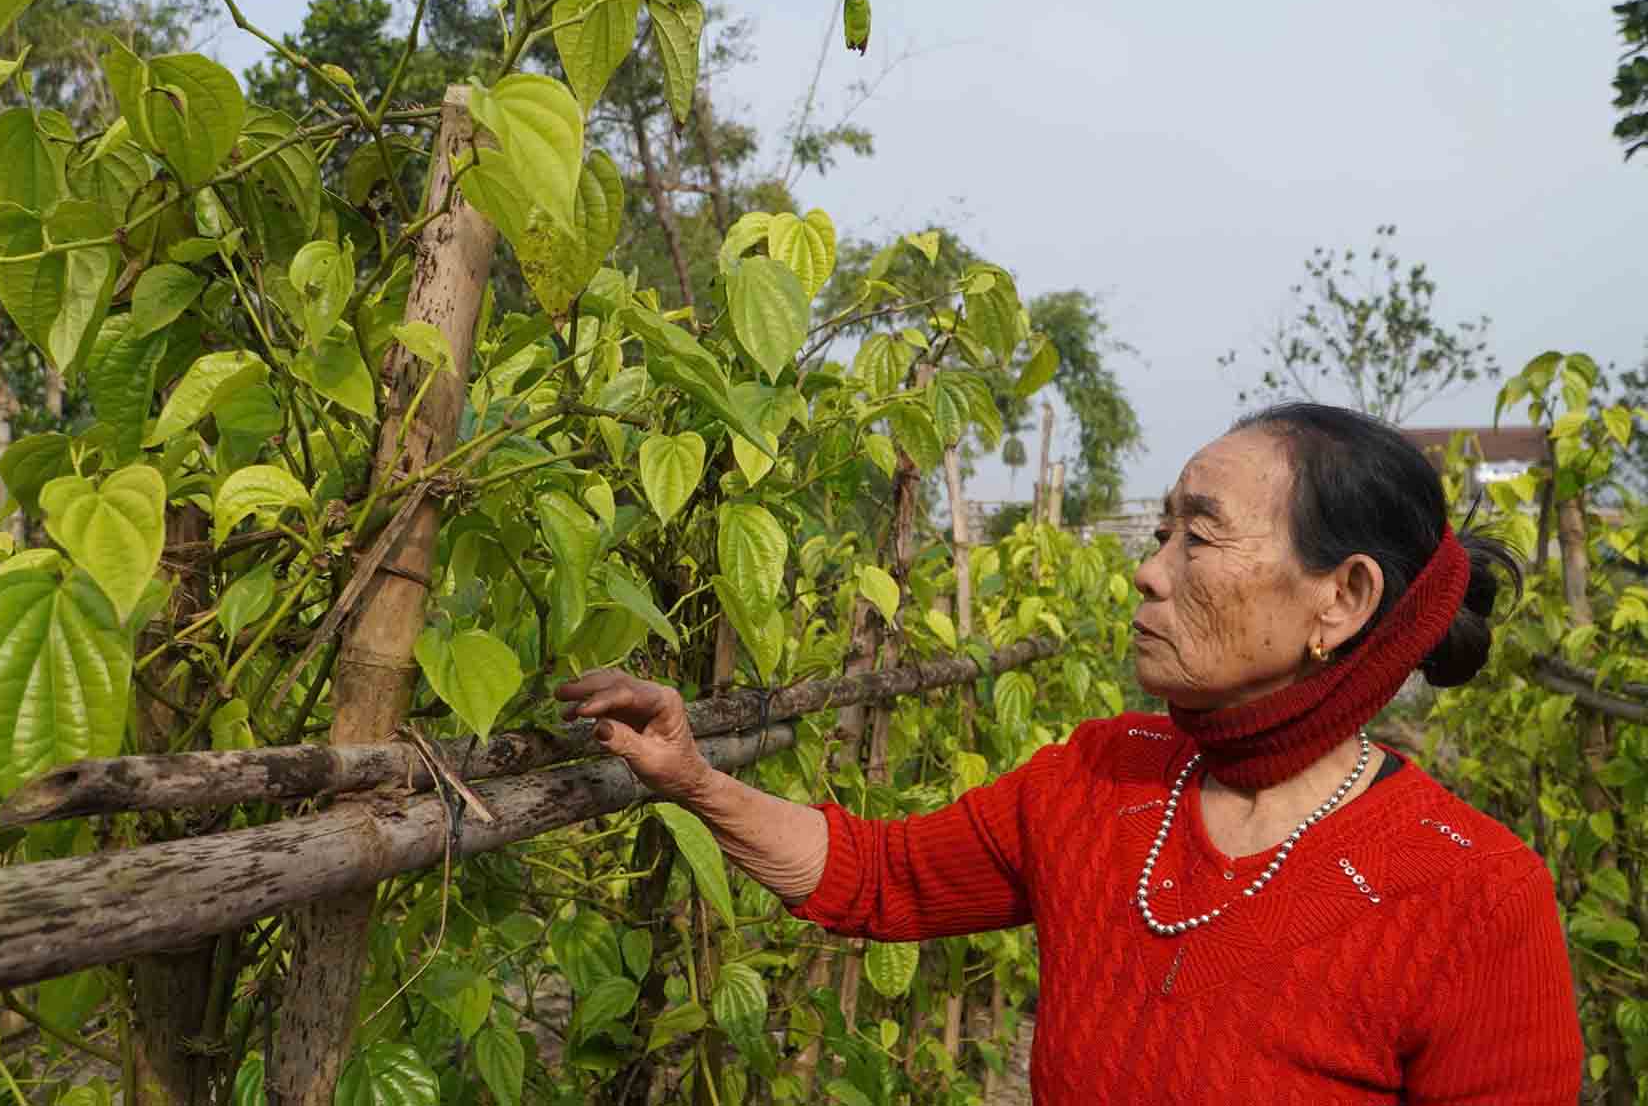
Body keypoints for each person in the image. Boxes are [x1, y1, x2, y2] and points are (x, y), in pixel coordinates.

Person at [557, 403, 1584, 1104]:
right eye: (1162, 530)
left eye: (1200, 537)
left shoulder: (1472, 891)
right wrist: (693, 778)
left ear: (1343, 597)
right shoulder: (1104, 776)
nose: (1148, 571)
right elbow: (882, 873)